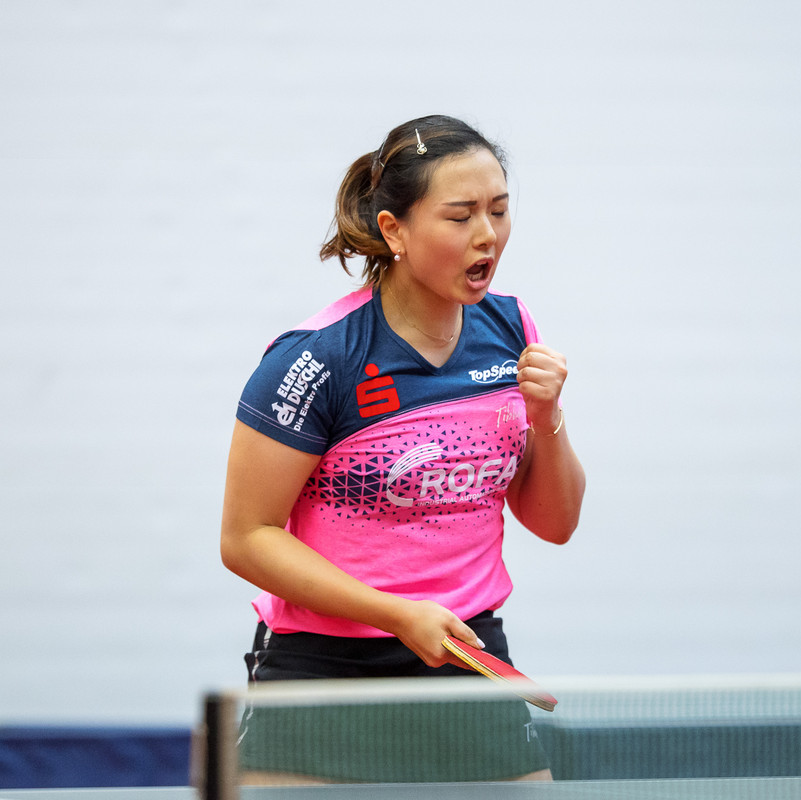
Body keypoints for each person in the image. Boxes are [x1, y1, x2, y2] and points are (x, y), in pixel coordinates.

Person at [220, 115, 586, 783]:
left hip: (467, 653)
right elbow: (246, 538)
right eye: (461, 216)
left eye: (499, 210)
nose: (487, 234)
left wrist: (547, 415)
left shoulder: (511, 329)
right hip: (324, 668)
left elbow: (556, 523)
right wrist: (395, 614)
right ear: (394, 230)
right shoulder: (318, 358)